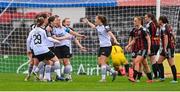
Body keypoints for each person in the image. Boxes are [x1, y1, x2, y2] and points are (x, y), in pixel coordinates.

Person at [83, 15, 119, 82]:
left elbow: (110, 33)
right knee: (100, 63)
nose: (95, 19)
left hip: (107, 46)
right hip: (102, 47)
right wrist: (87, 22)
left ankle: (103, 79)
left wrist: (115, 39)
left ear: (99, 20)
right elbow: (93, 26)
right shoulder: (98, 26)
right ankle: (113, 72)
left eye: (96, 18)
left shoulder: (105, 26)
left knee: (102, 62)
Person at [126, 16, 153, 83]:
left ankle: (134, 78)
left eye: (135, 21)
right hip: (137, 49)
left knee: (137, 62)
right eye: (134, 21)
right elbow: (134, 40)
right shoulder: (135, 30)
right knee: (145, 64)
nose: (134, 22)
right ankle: (150, 79)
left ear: (139, 21)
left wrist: (149, 49)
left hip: (143, 49)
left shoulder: (143, 29)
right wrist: (128, 45)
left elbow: (148, 39)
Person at [157, 16, 178, 83]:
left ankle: (175, 79)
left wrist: (165, 48)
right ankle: (162, 77)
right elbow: (173, 35)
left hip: (167, 48)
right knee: (159, 62)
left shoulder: (164, 28)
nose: (158, 21)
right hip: (167, 48)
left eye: (159, 20)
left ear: (161, 21)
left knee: (171, 63)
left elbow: (166, 38)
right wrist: (174, 42)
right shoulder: (168, 26)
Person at [145, 13, 160, 79]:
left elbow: (148, 35)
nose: (145, 19)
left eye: (146, 17)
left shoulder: (149, 25)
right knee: (154, 59)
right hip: (157, 43)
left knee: (153, 60)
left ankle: (156, 75)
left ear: (150, 17)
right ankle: (159, 73)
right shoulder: (156, 24)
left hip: (152, 43)